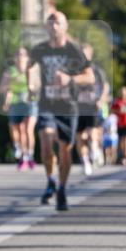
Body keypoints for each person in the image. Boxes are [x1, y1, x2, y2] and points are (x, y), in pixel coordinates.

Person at [28, 11, 94, 211]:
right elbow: (30, 68)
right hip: (47, 103)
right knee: (47, 144)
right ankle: (50, 179)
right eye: (50, 22)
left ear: (65, 26)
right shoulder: (39, 49)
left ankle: (62, 189)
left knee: (65, 150)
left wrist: (70, 79)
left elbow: (90, 77)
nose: (53, 26)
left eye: (57, 22)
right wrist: (31, 82)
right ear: (46, 27)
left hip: (68, 106)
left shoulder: (73, 50)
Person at [0, 46, 37, 170]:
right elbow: (2, 89)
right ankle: (22, 153)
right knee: (17, 129)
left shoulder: (31, 70)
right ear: (15, 58)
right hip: (16, 103)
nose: (20, 57)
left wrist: (32, 88)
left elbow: (39, 86)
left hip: (30, 103)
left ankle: (30, 154)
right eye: (18, 54)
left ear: (27, 58)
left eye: (23, 54)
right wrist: (10, 82)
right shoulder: (10, 72)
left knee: (28, 129)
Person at [75, 43, 108, 177]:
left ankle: (94, 148)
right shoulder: (74, 69)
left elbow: (105, 86)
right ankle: (85, 161)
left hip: (92, 104)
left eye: (85, 53)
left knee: (92, 131)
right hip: (77, 106)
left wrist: (101, 100)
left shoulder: (97, 70)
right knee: (80, 136)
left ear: (90, 55)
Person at [111, 86, 126, 165]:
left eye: (125, 92)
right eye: (122, 92)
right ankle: (123, 156)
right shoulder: (117, 101)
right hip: (120, 124)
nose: (123, 93)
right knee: (121, 142)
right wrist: (118, 111)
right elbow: (112, 110)